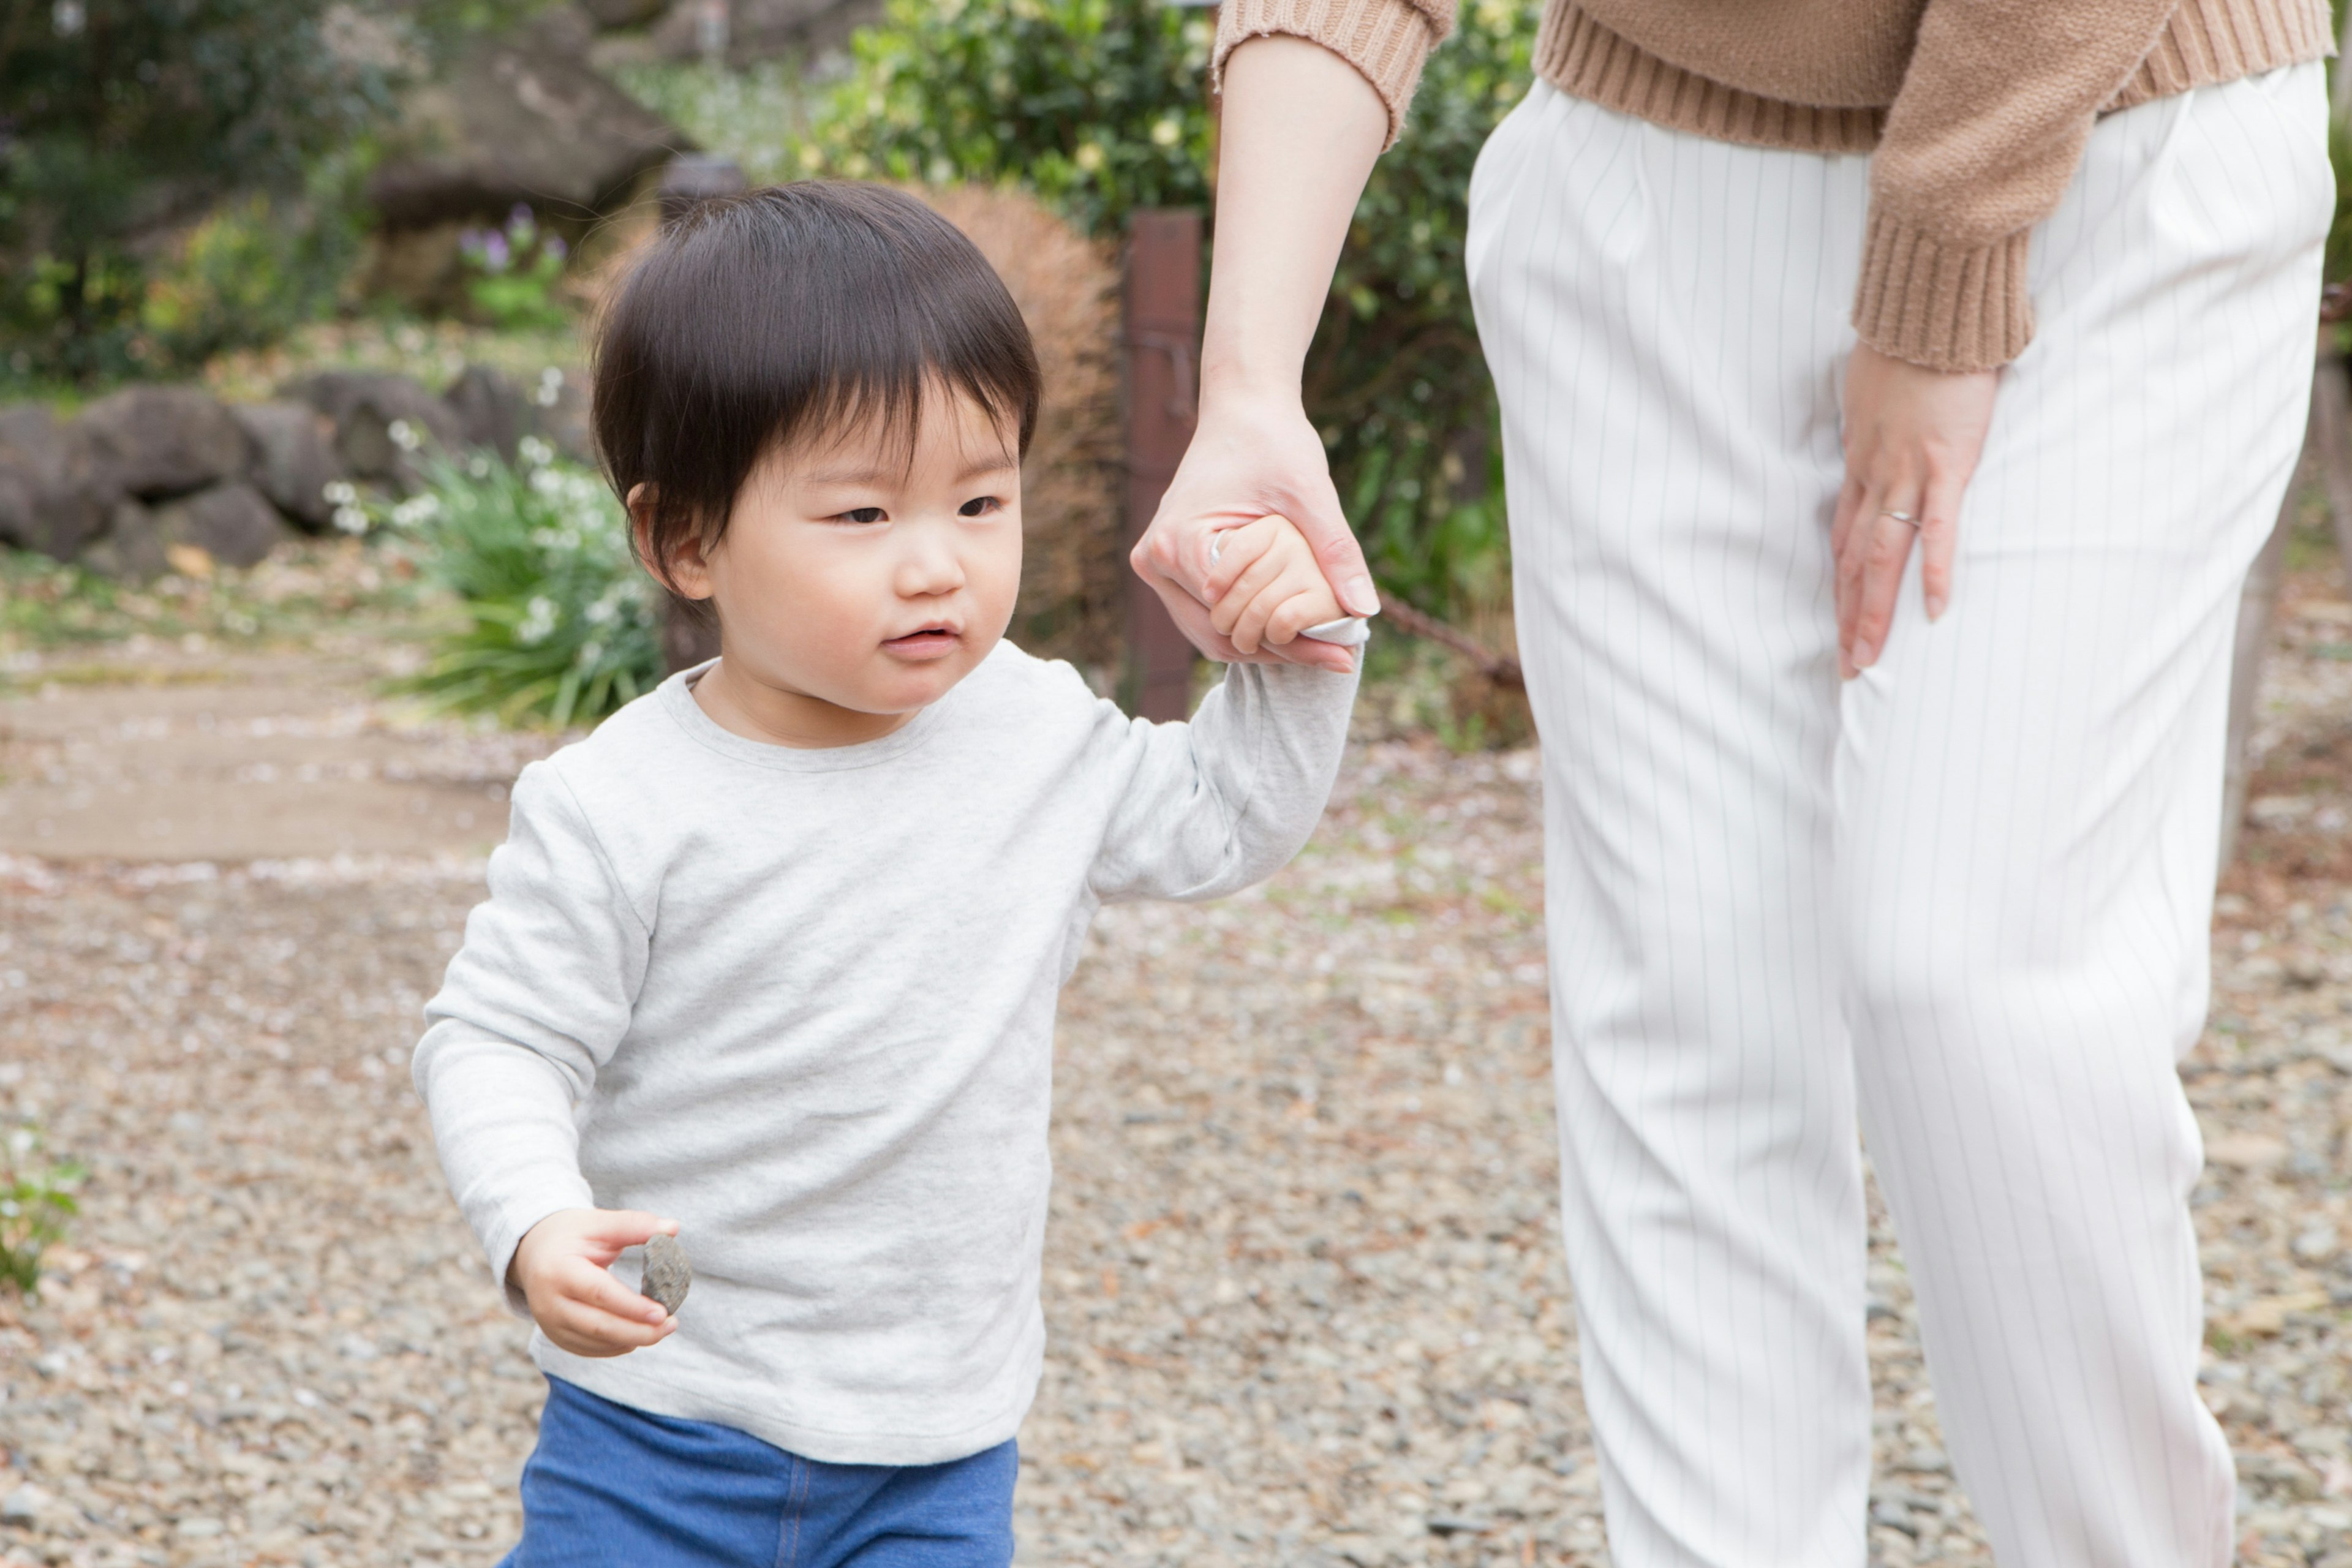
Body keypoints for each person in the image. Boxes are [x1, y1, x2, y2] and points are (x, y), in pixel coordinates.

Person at [1136, 2, 2334, 1564]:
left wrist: (1942, 267)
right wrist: (1248, 381)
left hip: (2112, 150)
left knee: (1975, 981)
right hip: (1641, 188)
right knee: (1691, 1016)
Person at [410, 182, 1359, 1567]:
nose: (937, 565)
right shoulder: (621, 803)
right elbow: (495, 1034)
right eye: (860, 515)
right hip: (665, 1424)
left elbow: (1223, 819)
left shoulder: (1032, 732)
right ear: (685, 540)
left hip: (936, 1440)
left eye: (982, 498)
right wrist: (536, 1219)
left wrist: (1295, 645)